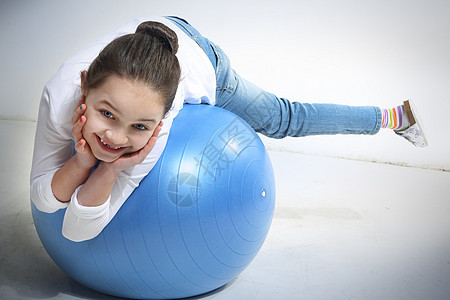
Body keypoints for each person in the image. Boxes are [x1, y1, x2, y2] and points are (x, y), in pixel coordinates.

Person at [30, 16, 427, 242]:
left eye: (138, 125)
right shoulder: (59, 95)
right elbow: (44, 200)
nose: (117, 138)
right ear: (84, 86)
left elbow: (77, 232)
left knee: (281, 119)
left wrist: (111, 167)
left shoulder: (152, 131)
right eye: (107, 114)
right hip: (143, 48)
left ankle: (395, 117)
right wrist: (82, 162)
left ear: (165, 116)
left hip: (199, 56)